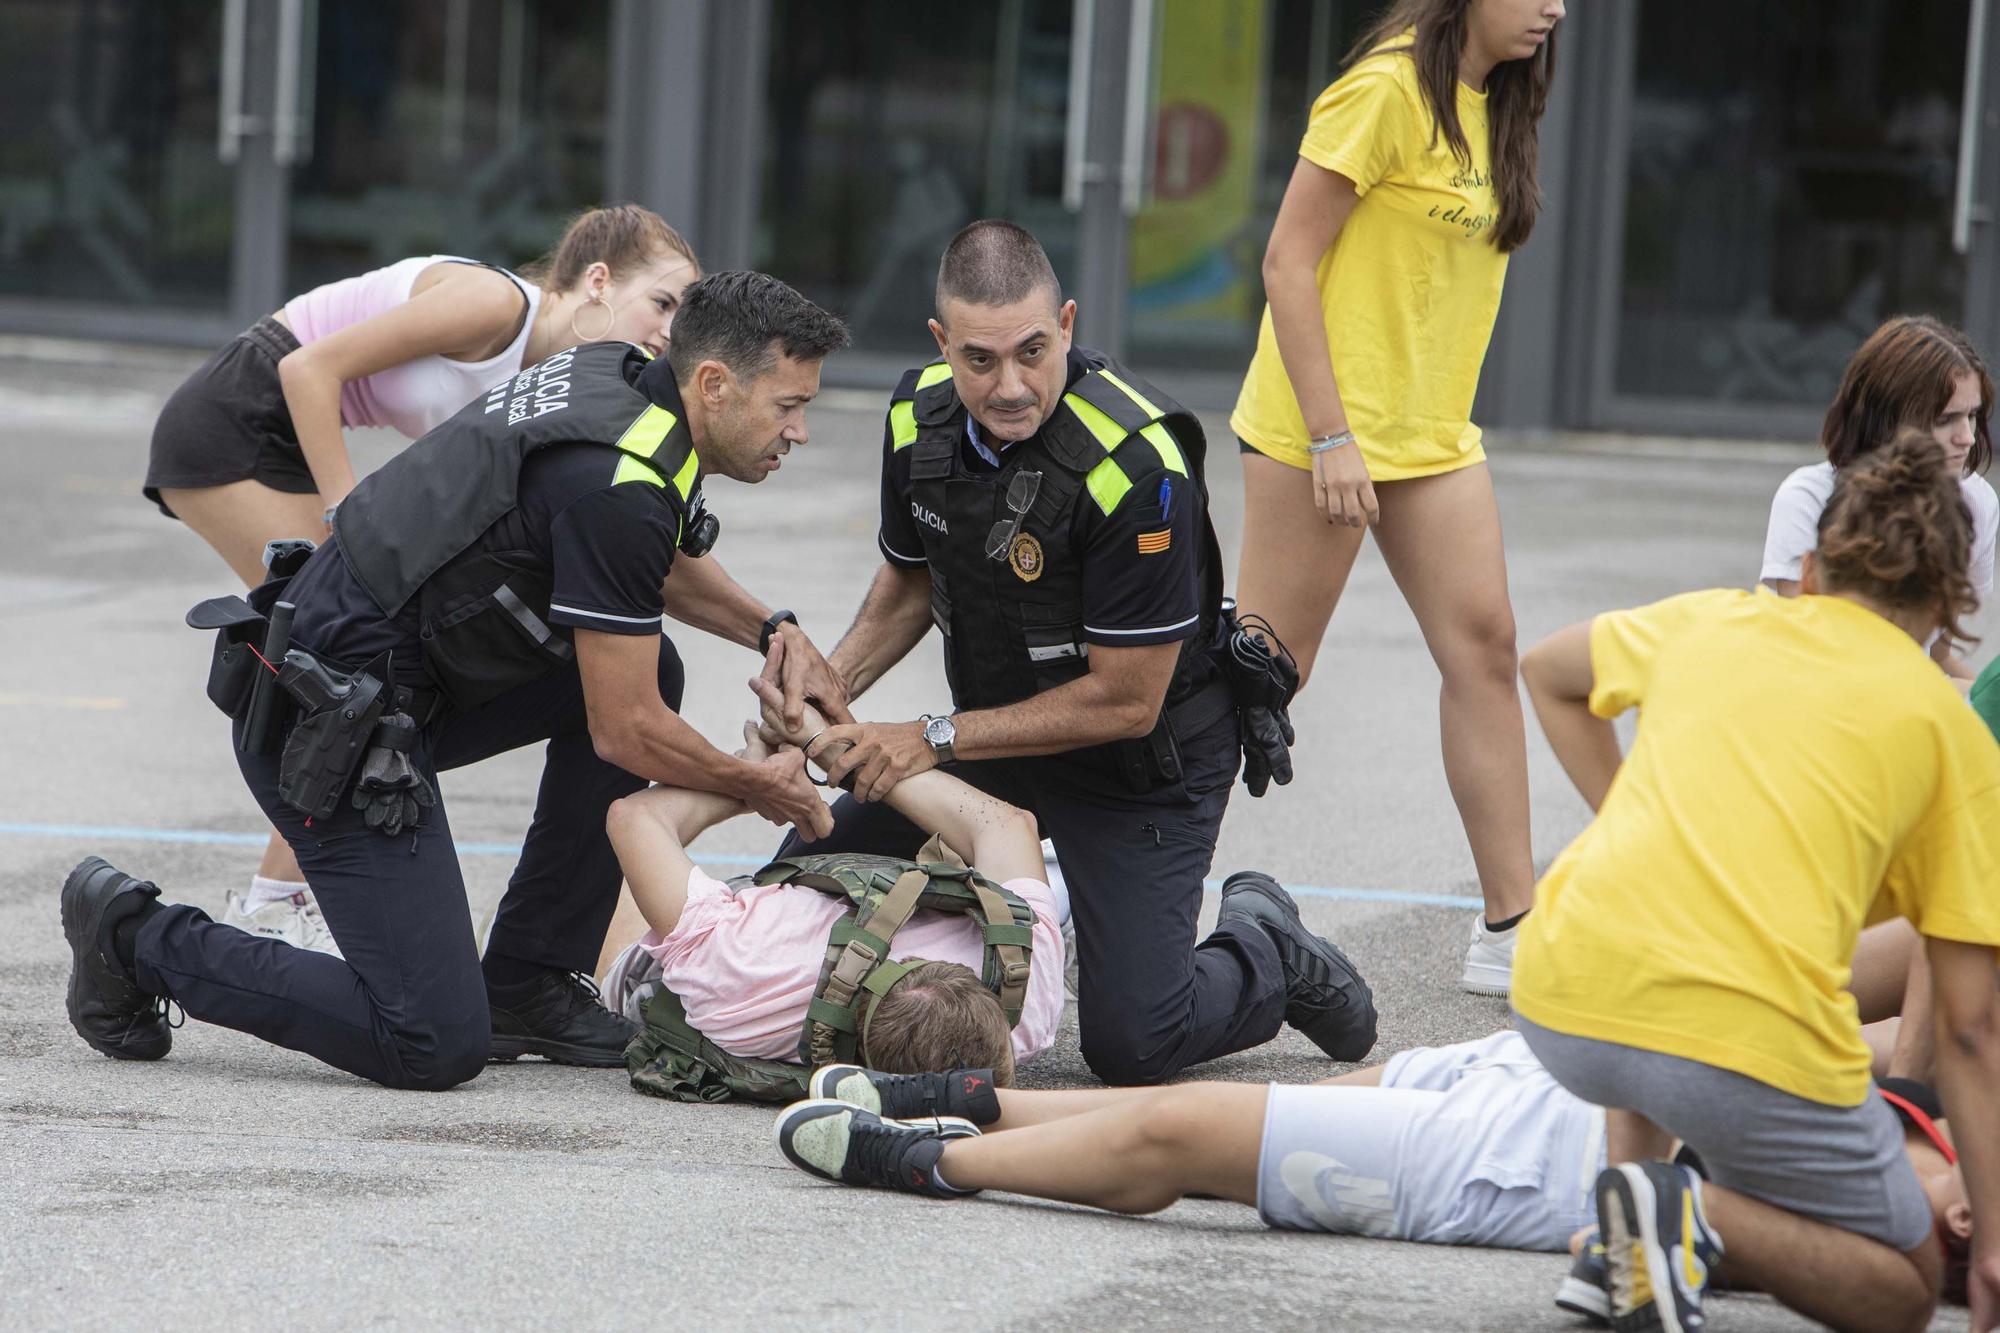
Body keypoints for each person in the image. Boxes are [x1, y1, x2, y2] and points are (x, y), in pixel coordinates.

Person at [59, 271, 851, 1090]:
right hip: (324, 731)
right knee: (430, 1039)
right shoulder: (619, 482)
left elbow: (639, 570)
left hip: (388, 686)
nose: (798, 431)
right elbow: (627, 728)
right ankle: (134, 936)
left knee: (654, 663)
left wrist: (773, 629)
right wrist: (759, 786)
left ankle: (526, 979)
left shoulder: (620, 382)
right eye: (789, 405)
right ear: (714, 385)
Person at [783, 218, 1376, 1086]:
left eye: (1032, 350)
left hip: (1138, 763)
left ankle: (1269, 952)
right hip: (996, 740)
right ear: (943, 343)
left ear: (1066, 323)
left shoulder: (1139, 466)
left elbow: (1126, 700)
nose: (1010, 384)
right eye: (979, 360)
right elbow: (910, 579)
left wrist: (929, 738)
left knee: (1134, 1041)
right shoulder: (917, 416)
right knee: (804, 885)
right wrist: (825, 694)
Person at [1512, 432, 2000, 1331]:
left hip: (1557, 993)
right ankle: (1685, 1211)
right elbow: (1970, 1027)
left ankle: (1626, 1241)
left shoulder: (1714, 618)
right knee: (1901, 1281)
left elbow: (1546, 670)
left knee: (1666, 977)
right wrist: (1997, 1237)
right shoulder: (1950, 727)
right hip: (1732, 1041)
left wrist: (1622, 811)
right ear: (1950, 604)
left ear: (1810, 567)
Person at [143, 204, 701, 954]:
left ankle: (284, 895)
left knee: (343, 672)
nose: (671, 330)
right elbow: (304, 368)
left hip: (273, 436)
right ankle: (275, 903)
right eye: (663, 302)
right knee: (333, 666)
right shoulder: (495, 305)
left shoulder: (559, 376)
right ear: (597, 280)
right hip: (234, 424)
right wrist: (348, 512)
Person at [767, 1029, 1978, 1326]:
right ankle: (986, 1099)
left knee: (1192, 1134)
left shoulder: (1901, 1254)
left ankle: (933, 1162)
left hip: (1544, 1164)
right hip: (1563, 1063)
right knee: (1257, 1101)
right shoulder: (1946, 1093)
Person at [1229, 0, 1564, 996]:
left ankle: (1509, 929)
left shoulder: (1499, 104)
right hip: (1317, 430)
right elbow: (1286, 262)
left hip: (1429, 438)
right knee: (1260, 677)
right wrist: (1332, 437)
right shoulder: (1381, 92)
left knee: (1483, 646)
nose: (1551, 7)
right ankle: (1114, 876)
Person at [596, 673, 1065, 1081]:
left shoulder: (742, 966)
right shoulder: (1027, 996)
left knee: (624, 973)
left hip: (765, 938)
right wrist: (828, 746)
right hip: (772, 939)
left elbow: (633, 819)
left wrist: (760, 778)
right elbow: (1009, 825)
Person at [1761, 314, 1997, 681]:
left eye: (1972, 415)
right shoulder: (1808, 497)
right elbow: (1808, 654)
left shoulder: (1977, 504)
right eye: (1946, 419)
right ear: (1889, 418)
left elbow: (1937, 658)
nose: (1966, 437)